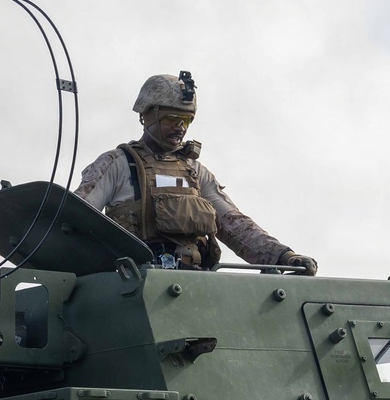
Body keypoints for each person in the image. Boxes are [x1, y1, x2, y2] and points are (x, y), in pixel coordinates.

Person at [74, 71, 317, 273]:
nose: (180, 127)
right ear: (146, 115)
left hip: (195, 288)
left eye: (186, 120)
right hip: (134, 286)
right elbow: (75, 220)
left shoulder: (196, 172)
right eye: (171, 118)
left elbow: (235, 225)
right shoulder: (116, 164)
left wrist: (283, 256)